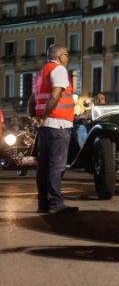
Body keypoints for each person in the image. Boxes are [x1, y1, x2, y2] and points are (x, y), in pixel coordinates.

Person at [27, 44, 78, 214]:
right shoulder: (59, 69)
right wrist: (43, 117)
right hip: (58, 123)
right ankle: (55, 203)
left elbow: (32, 100)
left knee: (43, 166)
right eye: (67, 55)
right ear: (61, 56)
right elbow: (55, 95)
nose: (68, 59)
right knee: (56, 166)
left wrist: (34, 117)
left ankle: (43, 203)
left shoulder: (41, 72)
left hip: (45, 126)